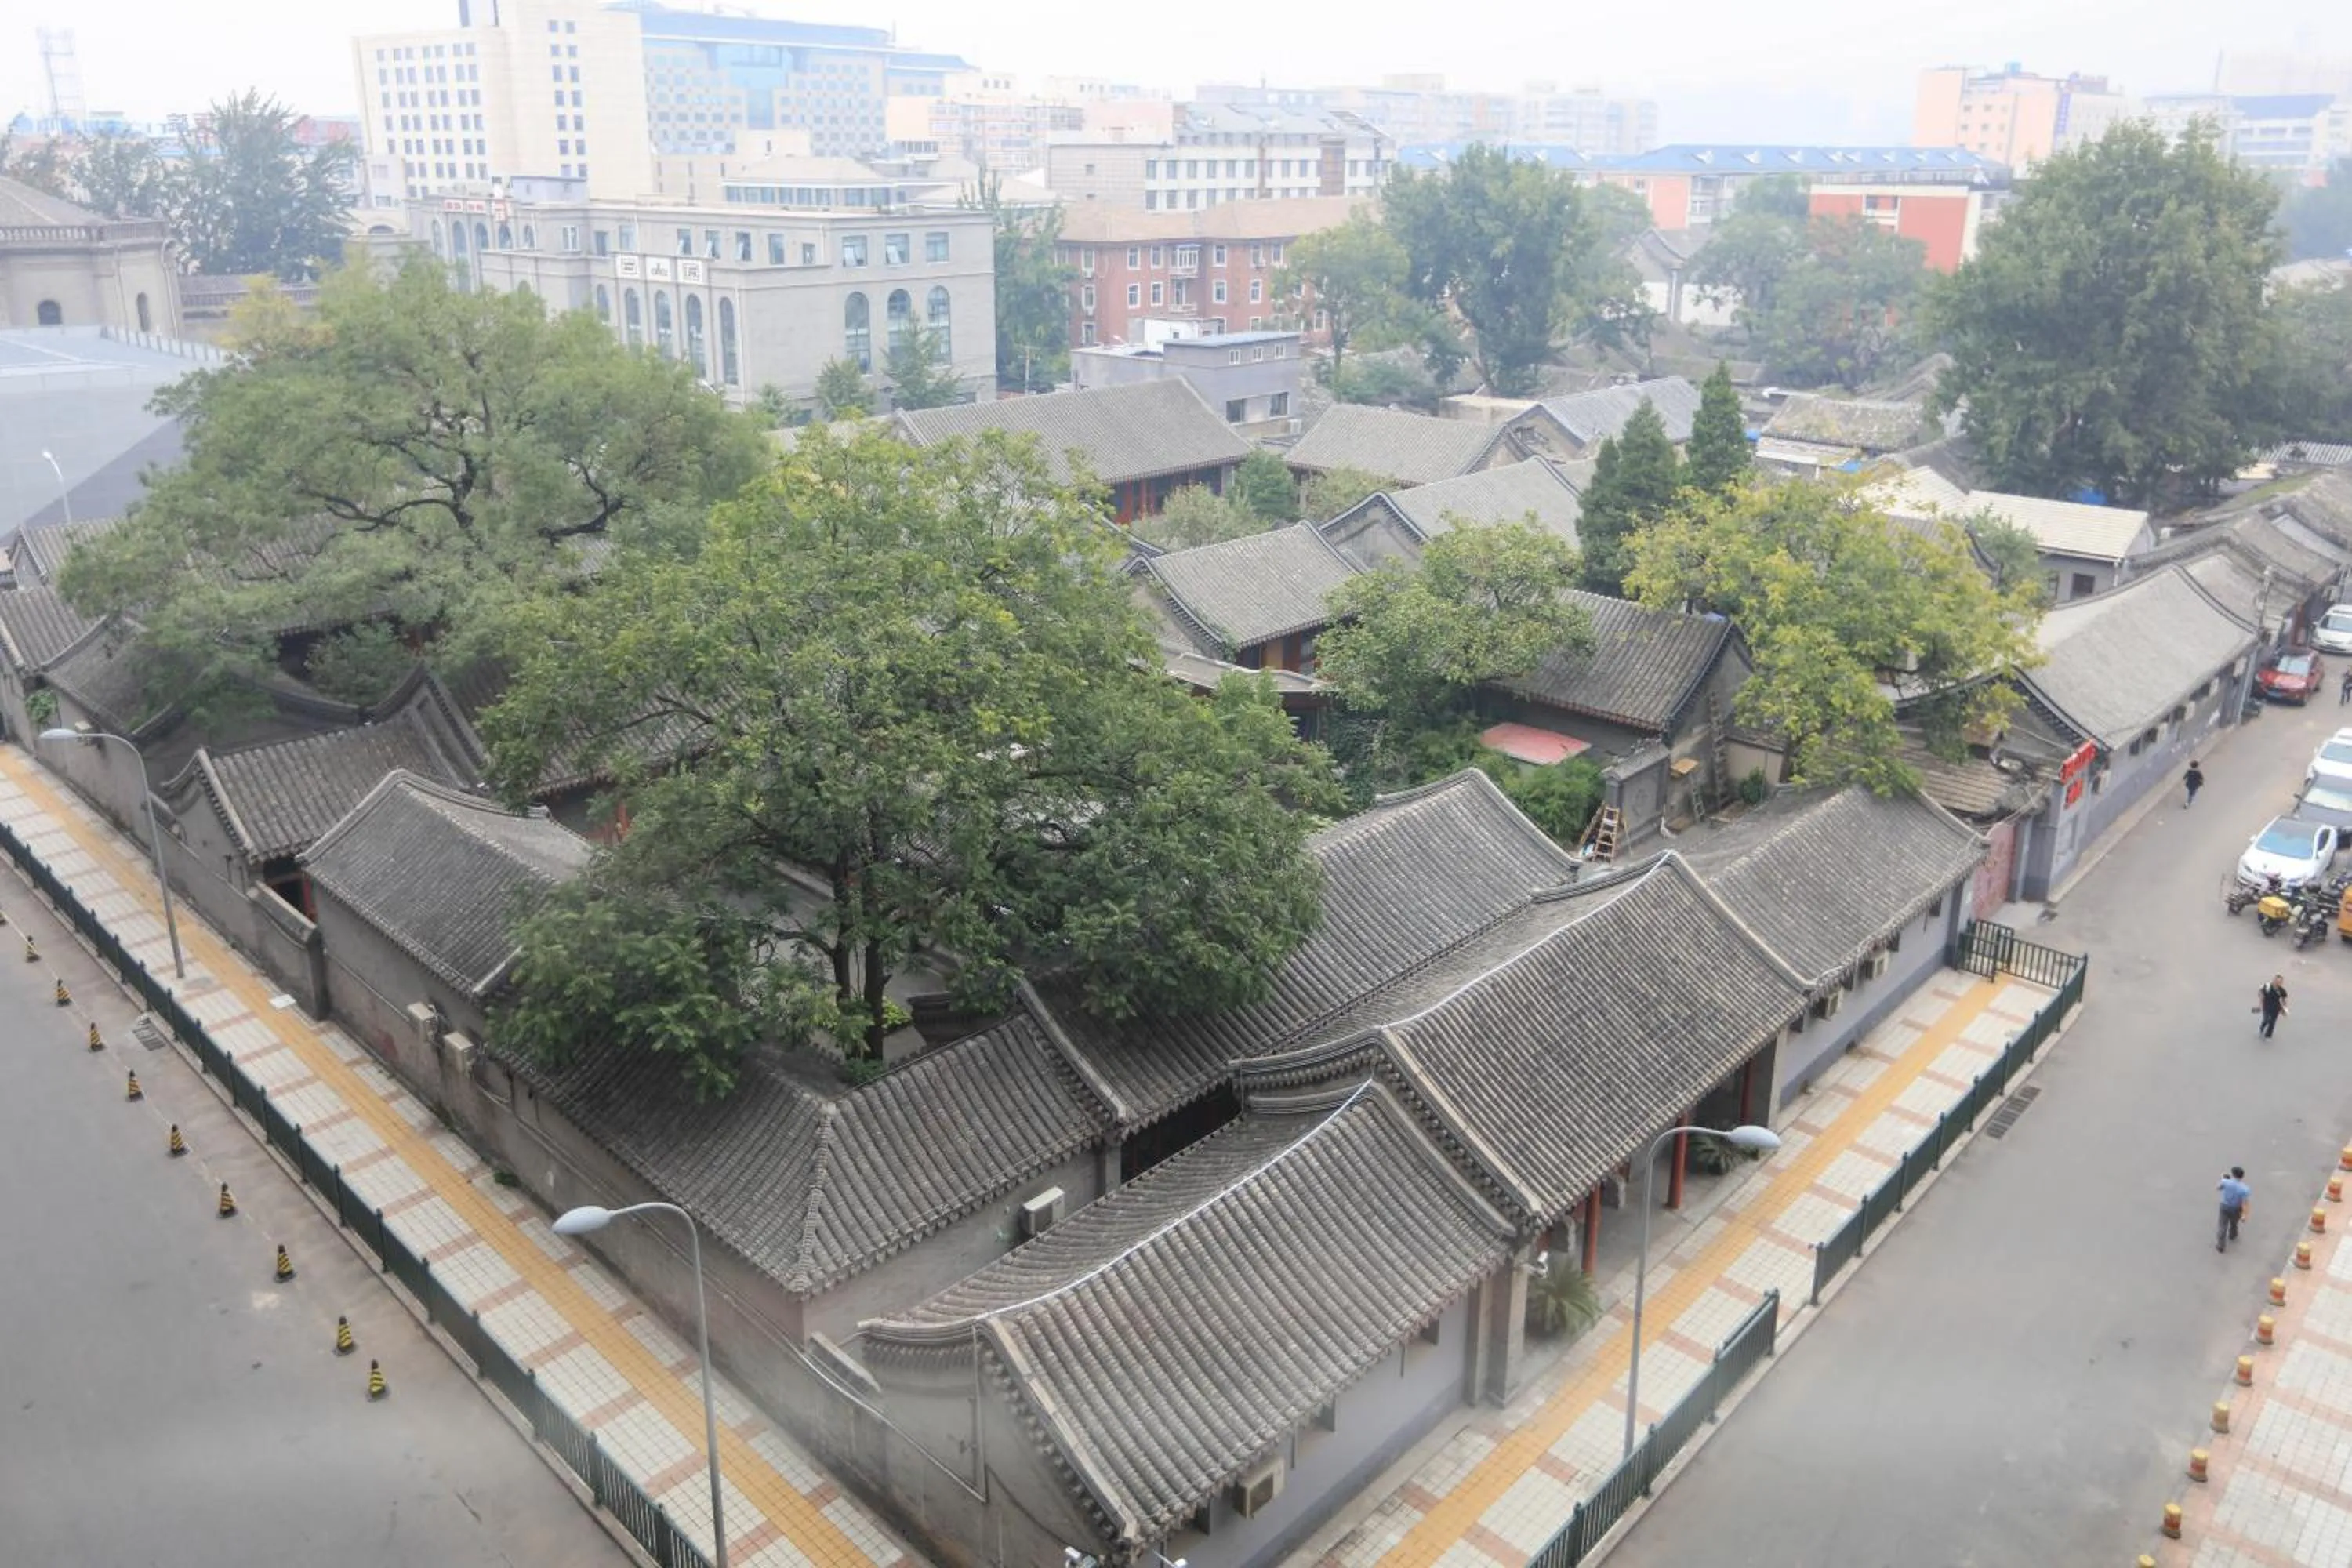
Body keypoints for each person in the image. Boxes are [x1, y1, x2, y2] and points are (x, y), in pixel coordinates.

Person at [2219, 1167, 2252, 1252]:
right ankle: (2233, 1234)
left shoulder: (2226, 1182)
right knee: (2234, 1223)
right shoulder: (2245, 1189)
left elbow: (2219, 1188)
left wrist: (2223, 1179)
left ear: (2233, 1175)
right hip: (2236, 1209)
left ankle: (2221, 1245)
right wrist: (2244, 1215)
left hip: (2224, 1206)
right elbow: (2245, 1203)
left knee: (2222, 1225)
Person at [2257, 975, 2289, 1039]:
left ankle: (2268, 1036)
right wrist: (2260, 1005)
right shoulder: (2267, 986)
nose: (2279, 983)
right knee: (2266, 1020)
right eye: (2278, 981)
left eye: (2281, 982)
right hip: (2266, 1007)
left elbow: (2284, 1000)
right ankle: (2262, 1028)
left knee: (2272, 1022)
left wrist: (2285, 1009)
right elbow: (2261, 994)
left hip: (2276, 1008)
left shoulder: (2282, 991)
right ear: (2274, 980)